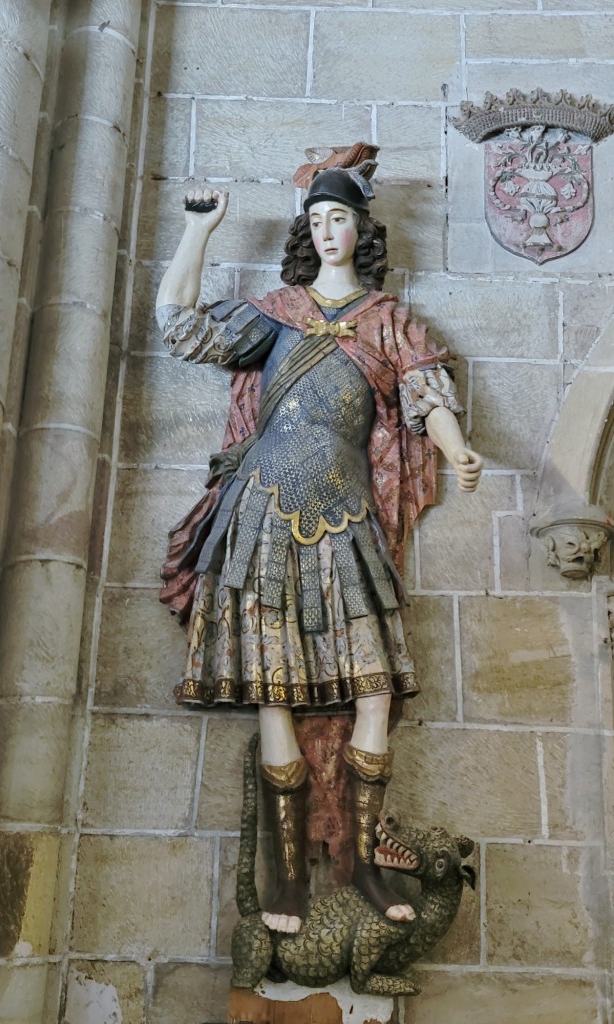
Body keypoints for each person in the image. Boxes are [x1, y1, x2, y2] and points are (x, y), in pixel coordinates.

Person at [155, 156, 483, 935]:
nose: (327, 231)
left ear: (361, 229)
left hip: (347, 512)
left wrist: (457, 446)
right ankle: (290, 877)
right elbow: (180, 325)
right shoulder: (275, 314)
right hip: (264, 508)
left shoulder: (387, 320)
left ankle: (362, 862)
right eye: (316, 221)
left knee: (375, 688)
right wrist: (197, 232)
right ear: (306, 233)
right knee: (274, 693)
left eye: (339, 219)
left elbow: (425, 389)